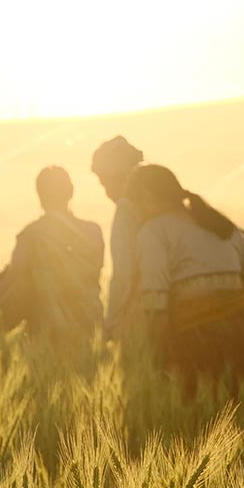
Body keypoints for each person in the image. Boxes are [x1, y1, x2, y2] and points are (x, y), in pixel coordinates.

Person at [128, 164, 244, 402]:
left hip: (196, 344)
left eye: (136, 206)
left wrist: (158, 359)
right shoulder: (220, 224)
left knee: (201, 424)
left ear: (146, 196)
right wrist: (224, 298)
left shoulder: (153, 231)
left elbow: (156, 304)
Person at [0, 166, 104, 358]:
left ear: (39, 195)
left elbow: (12, 279)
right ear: (71, 192)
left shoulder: (31, 234)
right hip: (90, 322)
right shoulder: (93, 232)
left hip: (47, 328)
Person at [92, 136, 150, 349]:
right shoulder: (163, 202)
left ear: (117, 177)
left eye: (104, 183)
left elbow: (123, 275)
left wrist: (112, 323)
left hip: (145, 313)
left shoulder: (126, 210)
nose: (106, 192)